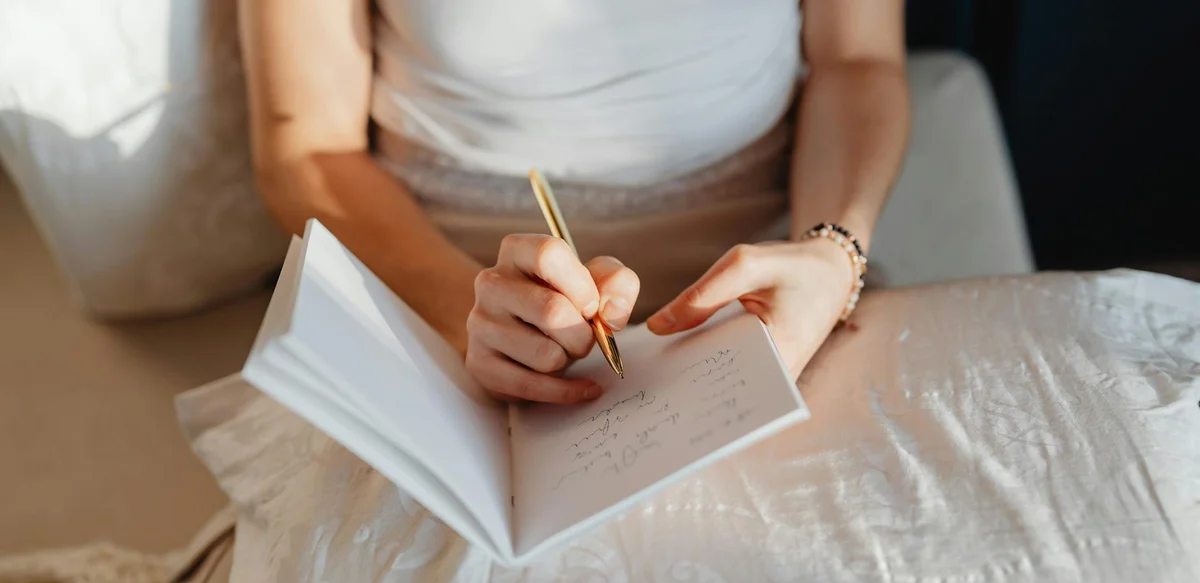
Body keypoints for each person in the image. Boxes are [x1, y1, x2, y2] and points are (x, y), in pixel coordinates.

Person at [239, 0, 1030, 404]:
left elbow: (856, 60)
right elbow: (303, 146)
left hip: (766, 276)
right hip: (450, 291)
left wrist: (832, 252)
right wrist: (460, 312)